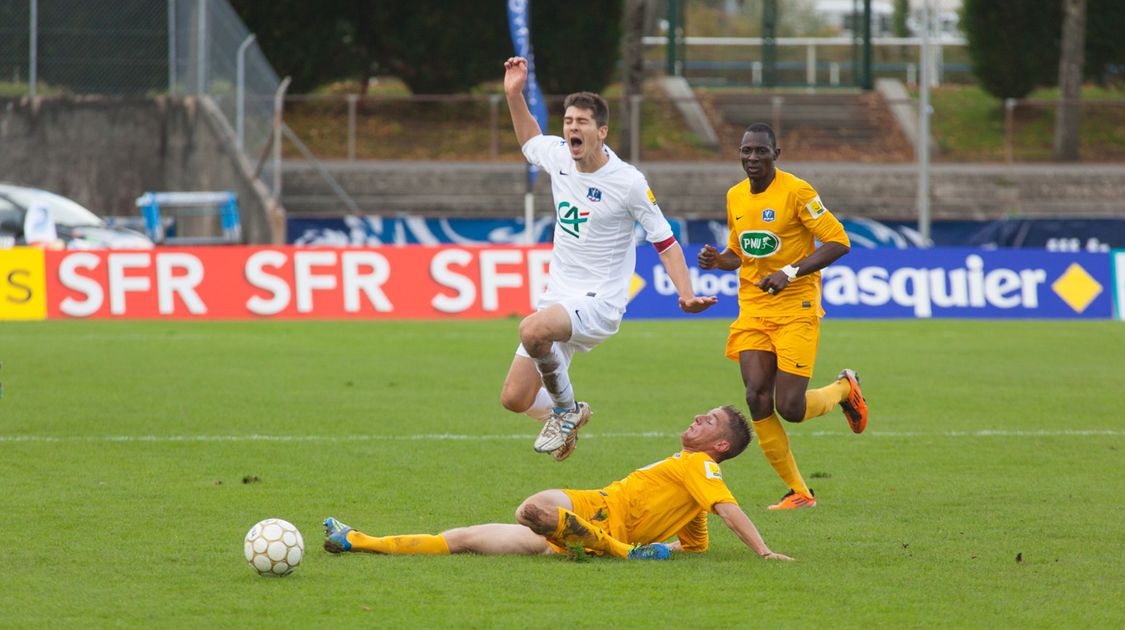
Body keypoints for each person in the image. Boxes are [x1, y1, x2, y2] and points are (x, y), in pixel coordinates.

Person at [498, 56, 716, 461]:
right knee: (514, 398)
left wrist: (685, 294)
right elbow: (530, 140)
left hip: (600, 302)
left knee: (531, 329)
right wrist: (514, 94)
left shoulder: (629, 182)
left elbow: (664, 241)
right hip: (559, 298)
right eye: (567, 121)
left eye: (581, 122)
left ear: (601, 132)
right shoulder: (560, 157)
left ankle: (564, 410)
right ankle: (572, 414)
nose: (571, 129)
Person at [323, 405, 792, 561]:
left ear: (721, 447)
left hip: (602, 519)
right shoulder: (692, 476)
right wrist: (664, 550)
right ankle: (357, 540)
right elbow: (696, 546)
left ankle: (610, 550)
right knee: (466, 537)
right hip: (591, 510)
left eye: (707, 420)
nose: (696, 418)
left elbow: (727, 510)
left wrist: (763, 551)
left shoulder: (702, 468)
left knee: (530, 511)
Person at [697, 123, 868, 511]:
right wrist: (716, 261)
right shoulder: (736, 196)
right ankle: (799, 491)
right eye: (746, 151)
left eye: (761, 151)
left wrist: (790, 272)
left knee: (789, 408)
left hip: (796, 310)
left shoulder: (797, 192)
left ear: (777, 154)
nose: (752, 158)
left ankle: (845, 389)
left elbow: (839, 241)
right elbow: (740, 254)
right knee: (757, 396)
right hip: (754, 310)